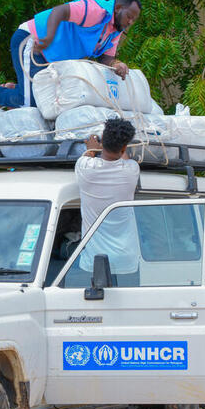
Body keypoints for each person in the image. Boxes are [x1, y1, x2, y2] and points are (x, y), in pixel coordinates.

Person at [0, 0, 142, 110]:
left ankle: (17, 89)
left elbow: (105, 58)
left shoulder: (115, 31)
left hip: (52, 58)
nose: (130, 22)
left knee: (48, 101)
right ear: (118, 8)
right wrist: (48, 37)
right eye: (129, 16)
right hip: (33, 41)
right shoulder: (95, 10)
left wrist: (116, 64)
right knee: (31, 102)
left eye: (134, 20)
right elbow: (59, 11)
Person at [67, 118, 140, 286]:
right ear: (124, 147)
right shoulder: (131, 170)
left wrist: (93, 147)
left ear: (102, 140)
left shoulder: (85, 168)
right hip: (127, 260)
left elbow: (88, 155)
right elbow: (124, 158)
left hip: (95, 262)